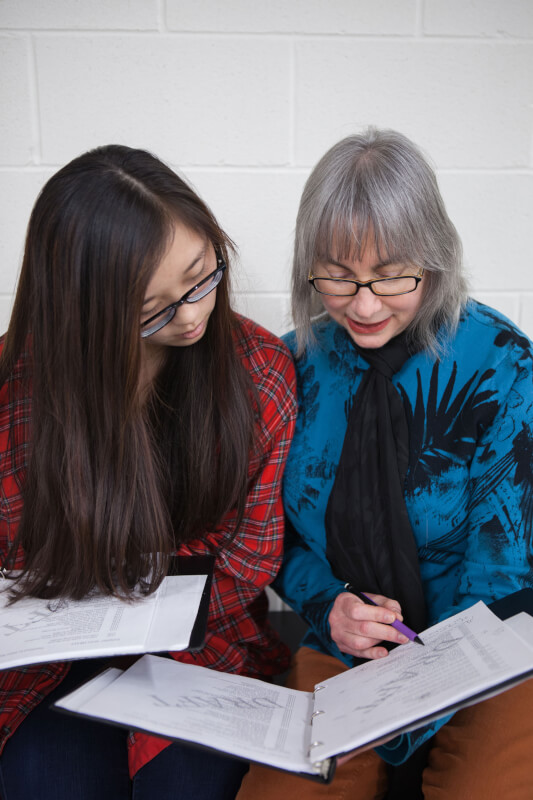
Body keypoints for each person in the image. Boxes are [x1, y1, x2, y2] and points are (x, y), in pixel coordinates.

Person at [237, 128, 533, 800]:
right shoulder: (294, 366)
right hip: (345, 644)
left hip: (485, 646)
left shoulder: (502, 365)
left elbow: (503, 570)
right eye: (337, 276)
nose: (363, 305)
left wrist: (419, 682)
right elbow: (271, 539)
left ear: (433, 260)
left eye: (391, 275)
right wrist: (330, 607)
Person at [0, 144, 297, 800]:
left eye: (201, 275)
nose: (192, 316)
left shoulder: (259, 371)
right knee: (43, 778)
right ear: (86, 310)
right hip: (48, 655)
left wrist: (154, 615)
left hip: (201, 644)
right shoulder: (17, 384)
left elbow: (250, 558)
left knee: (184, 784)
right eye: (151, 310)